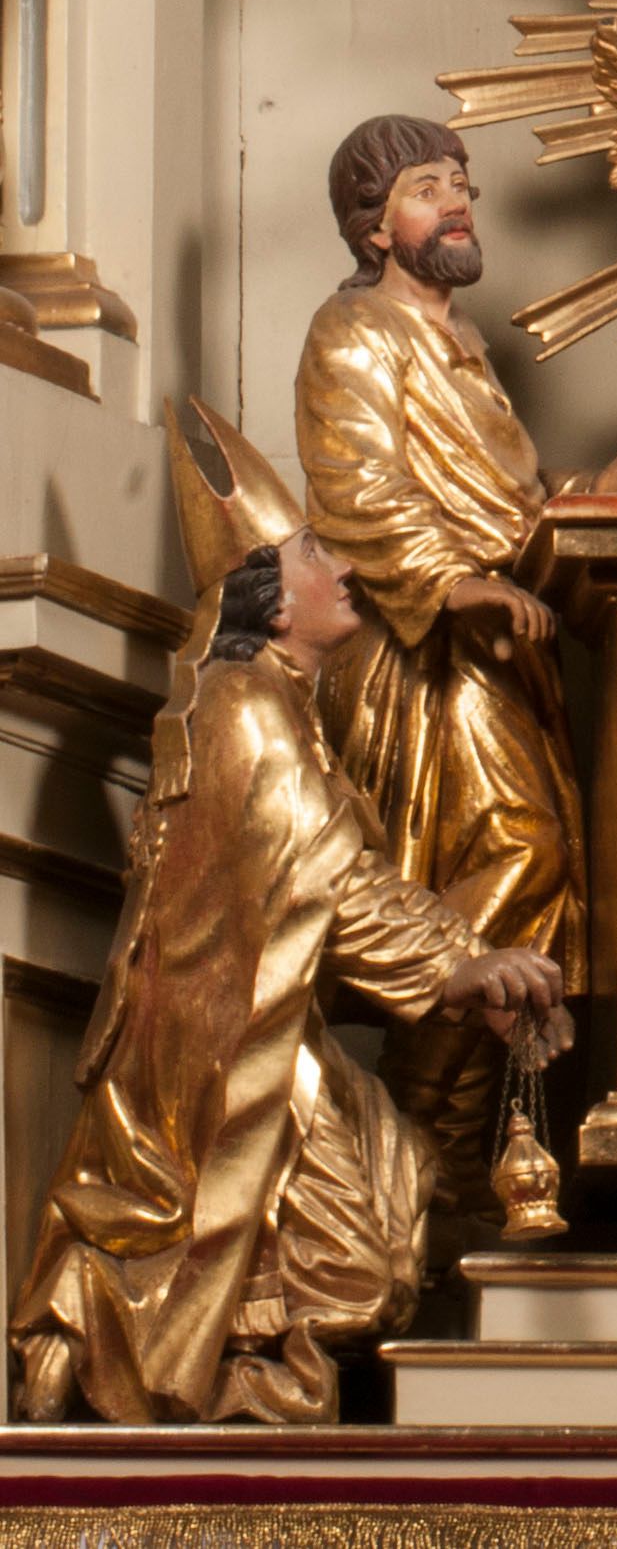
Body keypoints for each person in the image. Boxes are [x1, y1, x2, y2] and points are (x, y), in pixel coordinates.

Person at [11, 447, 568, 1426]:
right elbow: (333, 885)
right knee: (353, 1258)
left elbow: (329, 879)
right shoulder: (248, 708)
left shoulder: (275, 707)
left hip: (250, 1032)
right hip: (226, 1051)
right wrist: (462, 965)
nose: (345, 565)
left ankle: (211, 1364)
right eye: (315, 549)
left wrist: (471, 974)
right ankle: (141, 1338)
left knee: (391, 1201)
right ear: (268, 599)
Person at [296, 116, 608, 1211]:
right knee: (521, 853)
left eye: (461, 182)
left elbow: (510, 501)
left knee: (522, 892)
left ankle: (451, 1167)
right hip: (420, 650)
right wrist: (448, 580)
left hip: (498, 645)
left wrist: (597, 505)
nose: (458, 201)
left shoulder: (462, 341)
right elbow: (355, 482)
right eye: (428, 187)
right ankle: (418, 1140)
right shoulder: (354, 331)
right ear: (375, 226)